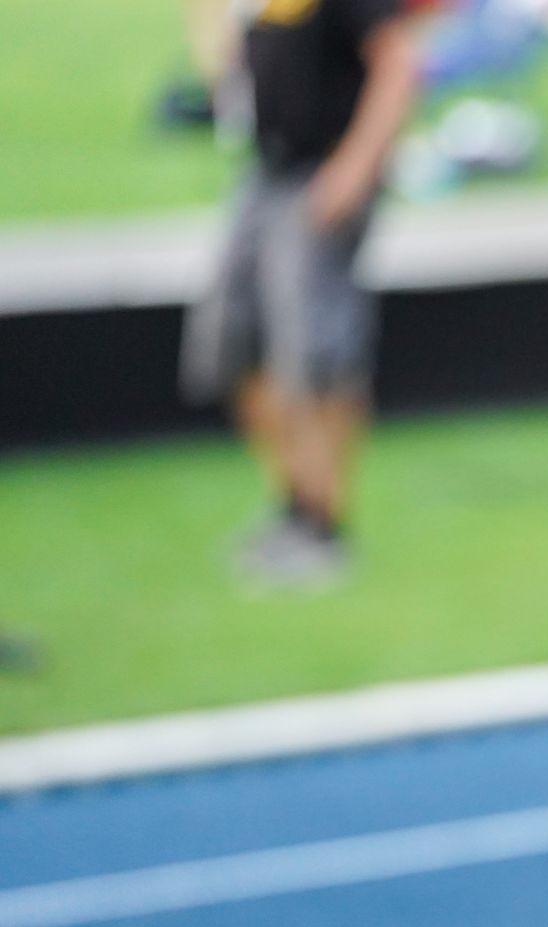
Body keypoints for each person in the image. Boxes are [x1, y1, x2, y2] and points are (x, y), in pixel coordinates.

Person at [180, 0, 420, 587]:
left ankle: (323, 527)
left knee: (317, 358)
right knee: (234, 350)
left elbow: (399, 66)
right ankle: (298, 507)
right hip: (266, 172)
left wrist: (354, 169)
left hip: (320, 176)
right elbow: (226, 69)